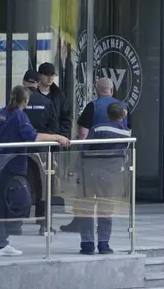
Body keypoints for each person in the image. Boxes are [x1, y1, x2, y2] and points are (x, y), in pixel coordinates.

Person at [0, 85, 70, 257]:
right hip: (11, 164)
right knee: (8, 203)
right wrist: (57, 137)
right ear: (25, 101)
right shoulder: (19, 115)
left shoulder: (0, 113)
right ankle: (0, 243)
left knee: (0, 201)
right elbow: (33, 136)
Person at [60, 77, 131, 233]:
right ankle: (104, 231)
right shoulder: (123, 107)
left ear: (96, 91)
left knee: (84, 193)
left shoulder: (92, 106)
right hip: (114, 161)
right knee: (106, 197)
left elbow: (83, 133)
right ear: (112, 90)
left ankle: (80, 223)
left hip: (92, 160)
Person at [79, 102, 132, 255]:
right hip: (111, 176)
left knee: (87, 209)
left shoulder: (97, 128)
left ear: (107, 115)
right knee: (106, 210)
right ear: (123, 115)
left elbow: (85, 149)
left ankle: (87, 245)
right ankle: (104, 245)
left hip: (90, 173)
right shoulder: (127, 134)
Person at [21, 69, 59, 235]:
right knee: (44, 188)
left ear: (24, 82)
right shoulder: (47, 102)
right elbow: (54, 128)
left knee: (20, 184)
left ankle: (15, 223)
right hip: (43, 151)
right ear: (37, 83)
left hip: (21, 150)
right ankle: (44, 224)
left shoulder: (17, 102)